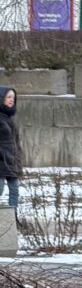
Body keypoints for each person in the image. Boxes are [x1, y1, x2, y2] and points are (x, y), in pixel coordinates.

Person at [0, 86, 22, 219]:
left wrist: (17, 156)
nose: (11, 100)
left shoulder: (9, 118)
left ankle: (12, 220)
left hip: (11, 161)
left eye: (13, 98)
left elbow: (15, 141)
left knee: (14, 190)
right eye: (8, 97)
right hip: (1, 161)